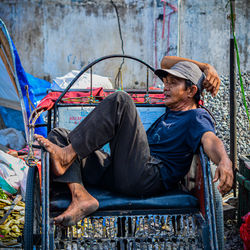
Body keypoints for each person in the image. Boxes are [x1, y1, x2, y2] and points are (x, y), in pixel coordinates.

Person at [34, 56, 233, 227]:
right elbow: (166, 61)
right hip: (124, 172)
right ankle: (81, 196)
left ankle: (68, 154)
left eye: (173, 83)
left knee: (121, 101)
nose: (166, 87)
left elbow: (210, 139)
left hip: (148, 177)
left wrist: (224, 160)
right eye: (166, 81)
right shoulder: (169, 114)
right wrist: (205, 67)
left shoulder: (196, 116)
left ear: (191, 91)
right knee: (59, 136)